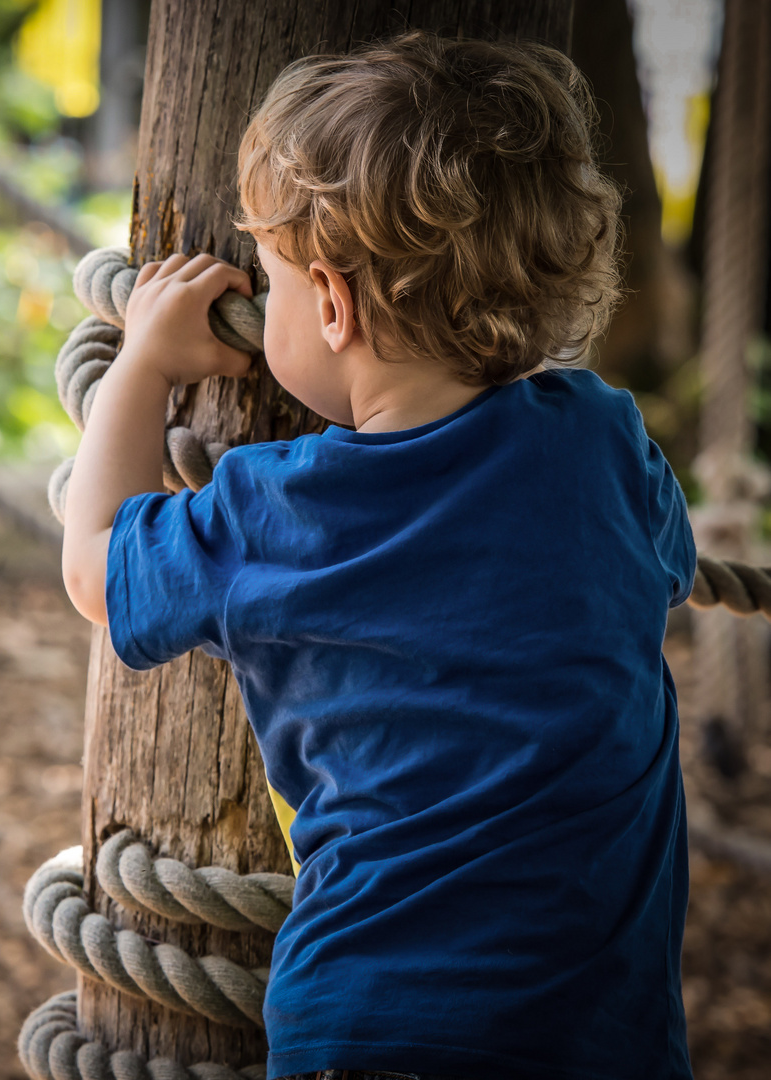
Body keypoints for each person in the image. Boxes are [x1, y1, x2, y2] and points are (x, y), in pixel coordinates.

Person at [59, 32, 695, 1080]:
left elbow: (93, 567)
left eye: (267, 273)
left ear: (332, 304)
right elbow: (663, 567)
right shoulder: (599, 442)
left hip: (369, 1022)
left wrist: (143, 363)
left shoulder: (275, 508)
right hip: (605, 1030)